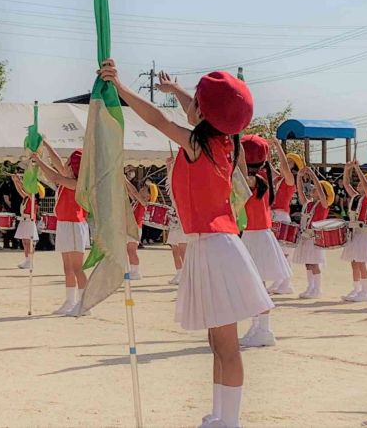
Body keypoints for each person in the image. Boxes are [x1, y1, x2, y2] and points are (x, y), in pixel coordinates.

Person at [103, 62, 270, 428]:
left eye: (194, 101)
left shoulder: (201, 144)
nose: (188, 105)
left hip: (215, 247)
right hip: (211, 246)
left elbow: (158, 122)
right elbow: (200, 112)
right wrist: (179, 90)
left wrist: (120, 88)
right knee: (217, 342)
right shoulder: (223, 140)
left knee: (226, 344)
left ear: (202, 113)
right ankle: (219, 414)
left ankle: (231, 420)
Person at [237, 135, 291, 348]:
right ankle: (257, 326)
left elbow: (239, 172)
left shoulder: (256, 180)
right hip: (252, 235)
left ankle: (265, 329)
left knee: (257, 286)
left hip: (256, 236)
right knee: (254, 285)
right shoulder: (261, 177)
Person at [32, 141, 89, 317]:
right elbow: (57, 162)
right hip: (64, 223)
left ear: (74, 167)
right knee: (67, 267)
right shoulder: (69, 176)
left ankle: (85, 304)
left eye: (68, 163)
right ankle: (70, 301)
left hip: (74, 224)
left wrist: (38, 161)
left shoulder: (78, 183)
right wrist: (46, 144)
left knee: (77, 267)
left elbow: (55, 177)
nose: (64, 164)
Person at [291, 167, 333, 298]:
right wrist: (298, 177)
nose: (313, 190)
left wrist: (314, 176)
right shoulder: (308, 204)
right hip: (306, 236)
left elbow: (320, 191)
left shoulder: (323, 204)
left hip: (316, 237)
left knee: (314, 263)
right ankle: (310, 286)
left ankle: (317, 289)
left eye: (316, 189)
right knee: (308, 263)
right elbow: (300, 193)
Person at [341, 162, 367, 302]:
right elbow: (346, 184)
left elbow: (364, 182)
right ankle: (356, 289)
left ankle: (365, 291)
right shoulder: (356, 197)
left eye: (366, 183)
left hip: (362, 232)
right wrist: (347, 170)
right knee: (354, 262)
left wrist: (358, 169)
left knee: (362, 262)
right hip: (354, 232)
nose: (360, 183)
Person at [267, 140, 302, 295]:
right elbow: (267, 164)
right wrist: (267, 148)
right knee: (277, 251)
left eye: (289, 162)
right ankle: (280, 280)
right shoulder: (278, 179)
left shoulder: (289, 180)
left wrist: (278, 146)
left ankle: (285, 282)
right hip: (272, 215)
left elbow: (283, 167)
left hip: (282, 215)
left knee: (284, 252)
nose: (285, 164)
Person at [165, 156, 188, 285]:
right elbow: (169, 182)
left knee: (183, 249)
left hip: (183, 220)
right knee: (174, 249)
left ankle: (186, 273)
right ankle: (179, 273)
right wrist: (169, 166)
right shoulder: (174, 191)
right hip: (174, 220)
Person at [10, 174, 40, 269]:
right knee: (24, 241)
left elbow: (26, 189)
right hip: (24, 221)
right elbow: (20, 190)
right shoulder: (26, 198)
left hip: (29, 222)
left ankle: (30, 260)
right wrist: (15, 181)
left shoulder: (33, 198)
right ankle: (27, 259)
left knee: (29, 242)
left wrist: (19, 180)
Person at [125, 178, 150, 280]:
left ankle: (136, 271)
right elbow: (129, 191)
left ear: (148, 196)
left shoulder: (144, 202)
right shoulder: (136, 201)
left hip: (135, 228)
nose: (142, 189)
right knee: (129, 250)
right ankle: (133, 270)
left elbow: (134, 191)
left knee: (132, 250)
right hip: (130, 227)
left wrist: (125, 179)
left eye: (145, 189)